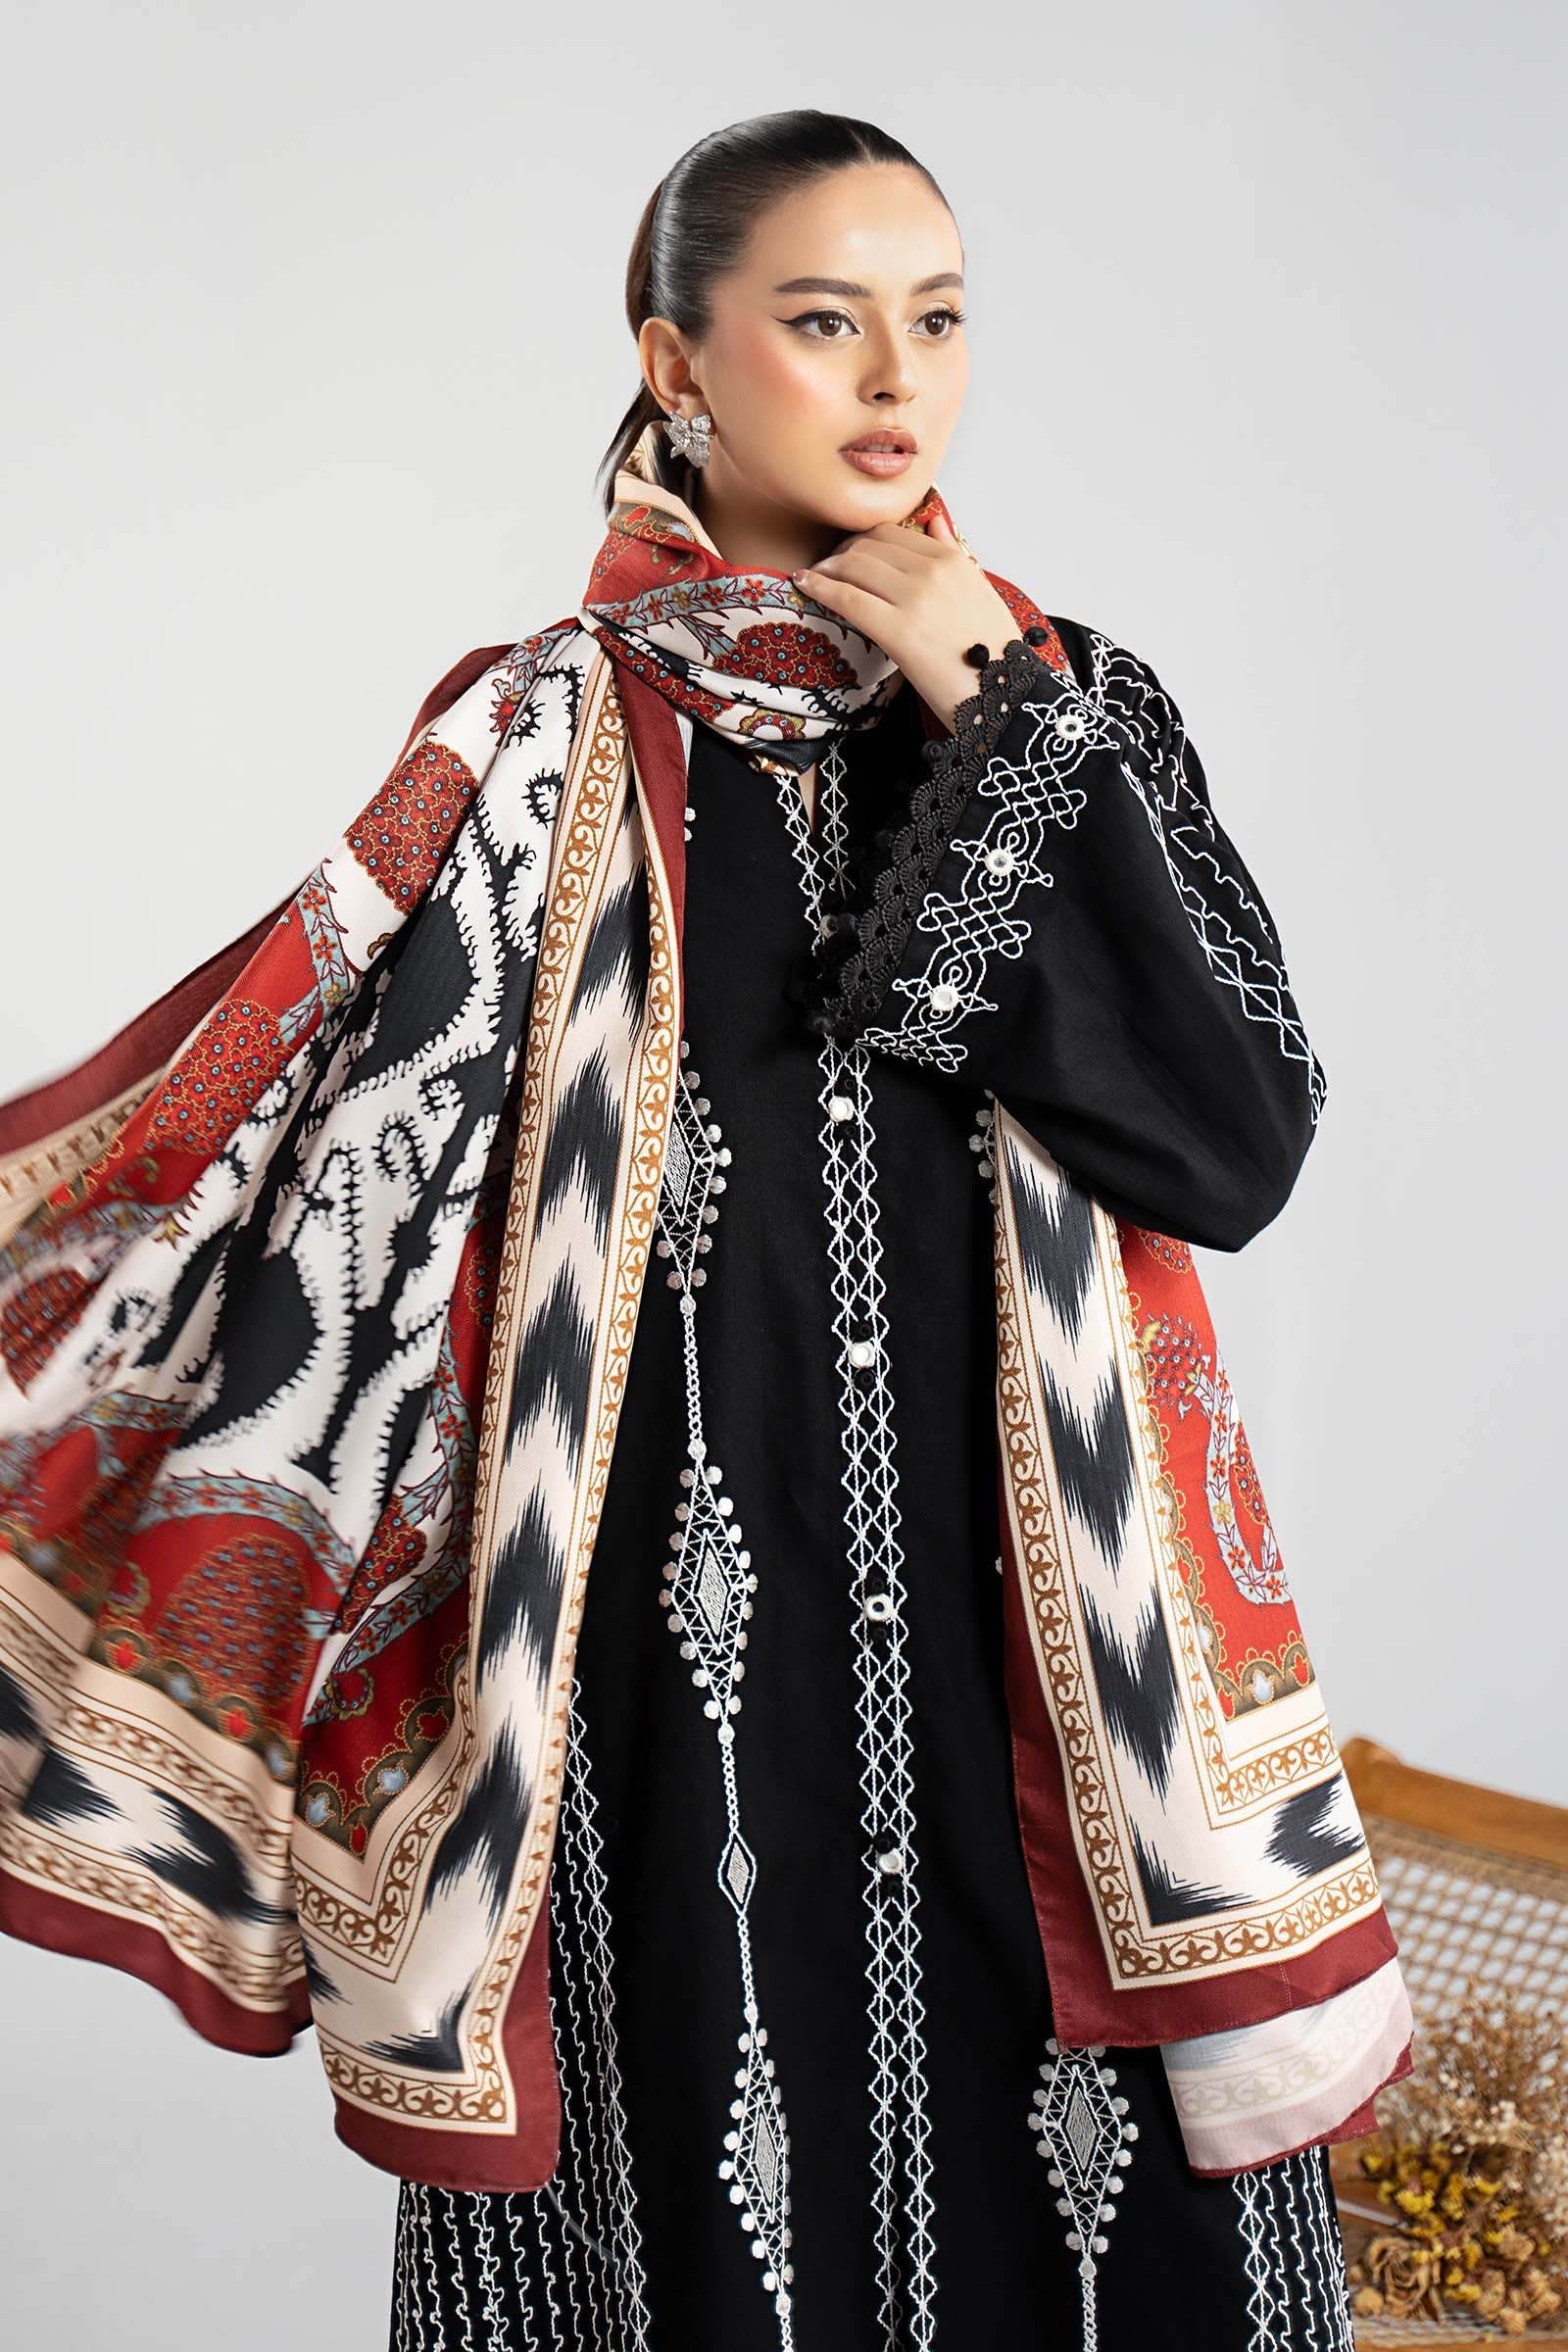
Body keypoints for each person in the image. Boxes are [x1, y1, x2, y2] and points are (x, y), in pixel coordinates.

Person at [0, 111, 1411, 2352]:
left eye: (936, 319)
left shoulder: (1069, 710)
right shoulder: (529, 749)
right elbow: (294, 1164)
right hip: (656, 1693)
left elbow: (1231, 1144)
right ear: (673, 358)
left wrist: (992, 705)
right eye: (823, 321)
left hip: (1044, 1695)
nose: (896, 379)